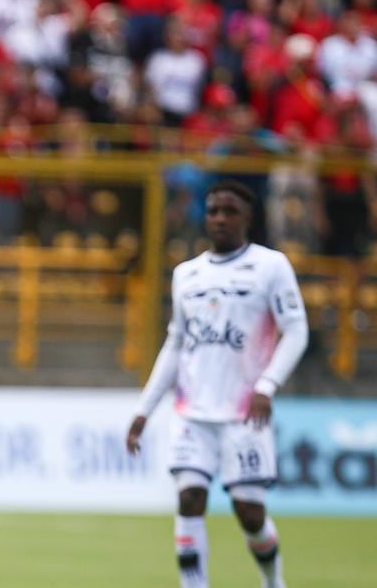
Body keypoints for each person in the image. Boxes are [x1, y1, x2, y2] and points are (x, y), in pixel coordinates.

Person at [127, 180, 308, 588]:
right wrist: (144, 410)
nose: (220, 219)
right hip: (192, 414)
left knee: (250, 514)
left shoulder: (271, 266)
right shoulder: (186, 275)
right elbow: (175, 344)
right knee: (190, 499)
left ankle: (273, 581)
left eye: (230, 211)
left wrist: (267, 385)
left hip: (244, 415)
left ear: (248, 218)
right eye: (213, 211)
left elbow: (296, 332)